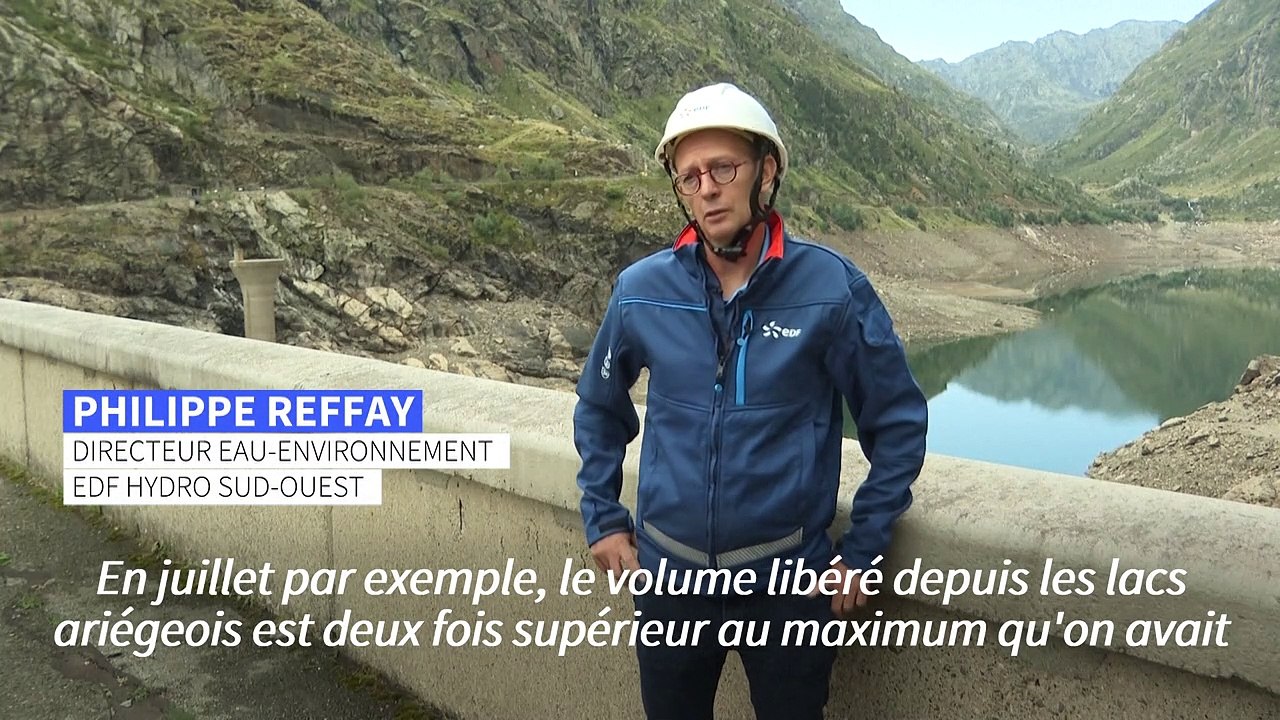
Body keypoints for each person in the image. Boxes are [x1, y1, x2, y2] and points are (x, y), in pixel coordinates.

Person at [572, 82, 928, 720]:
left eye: (723, 169)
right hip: (670, 584)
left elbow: (897, 423)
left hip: (789, 587)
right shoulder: (640, 291)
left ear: (765, 172)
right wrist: (602, 515)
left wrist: (862, 548)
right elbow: (599, 407)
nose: (706, 188)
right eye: (689, 176)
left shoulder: (831, 290)